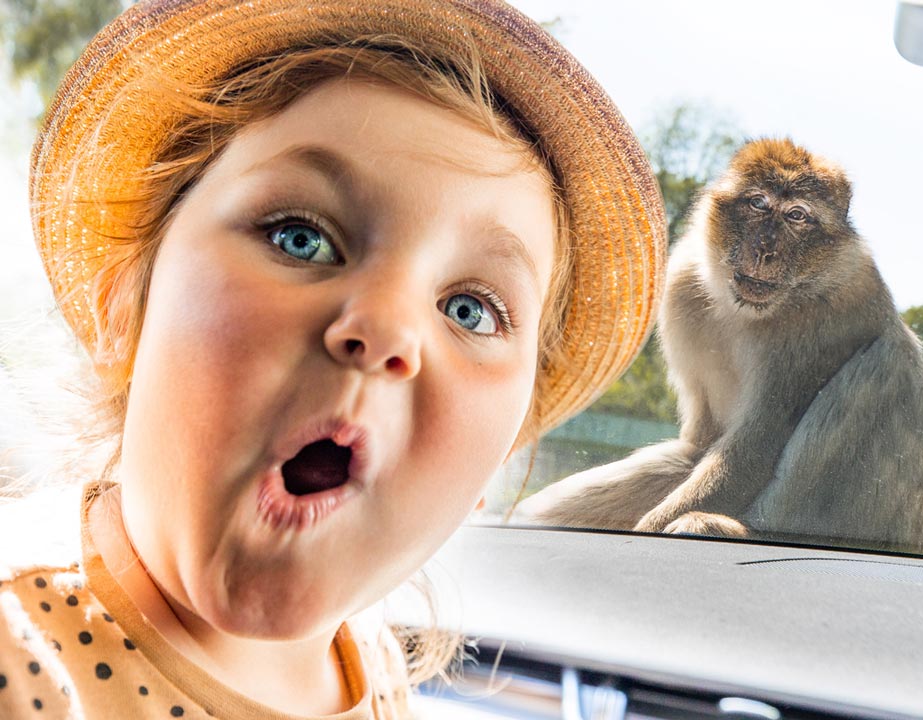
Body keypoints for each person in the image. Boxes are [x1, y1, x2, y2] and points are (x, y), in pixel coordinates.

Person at [0, 0, 664, 716]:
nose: (385, 332)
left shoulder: (372, 671)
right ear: (125, 308)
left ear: (499, 461)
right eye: (300, 237)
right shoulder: (19, 652)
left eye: (469, 310)